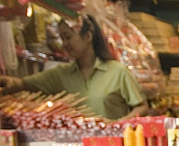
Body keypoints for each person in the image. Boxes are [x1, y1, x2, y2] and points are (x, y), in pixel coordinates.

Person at [0, 14, 148, 121]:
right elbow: (24, 84)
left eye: (68, 37)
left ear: (88, 37)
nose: (64, 44)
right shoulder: (61, 75)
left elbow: (141, 106)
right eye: (62, 38)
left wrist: (122, 124)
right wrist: (10, 83)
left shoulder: (117, 72)